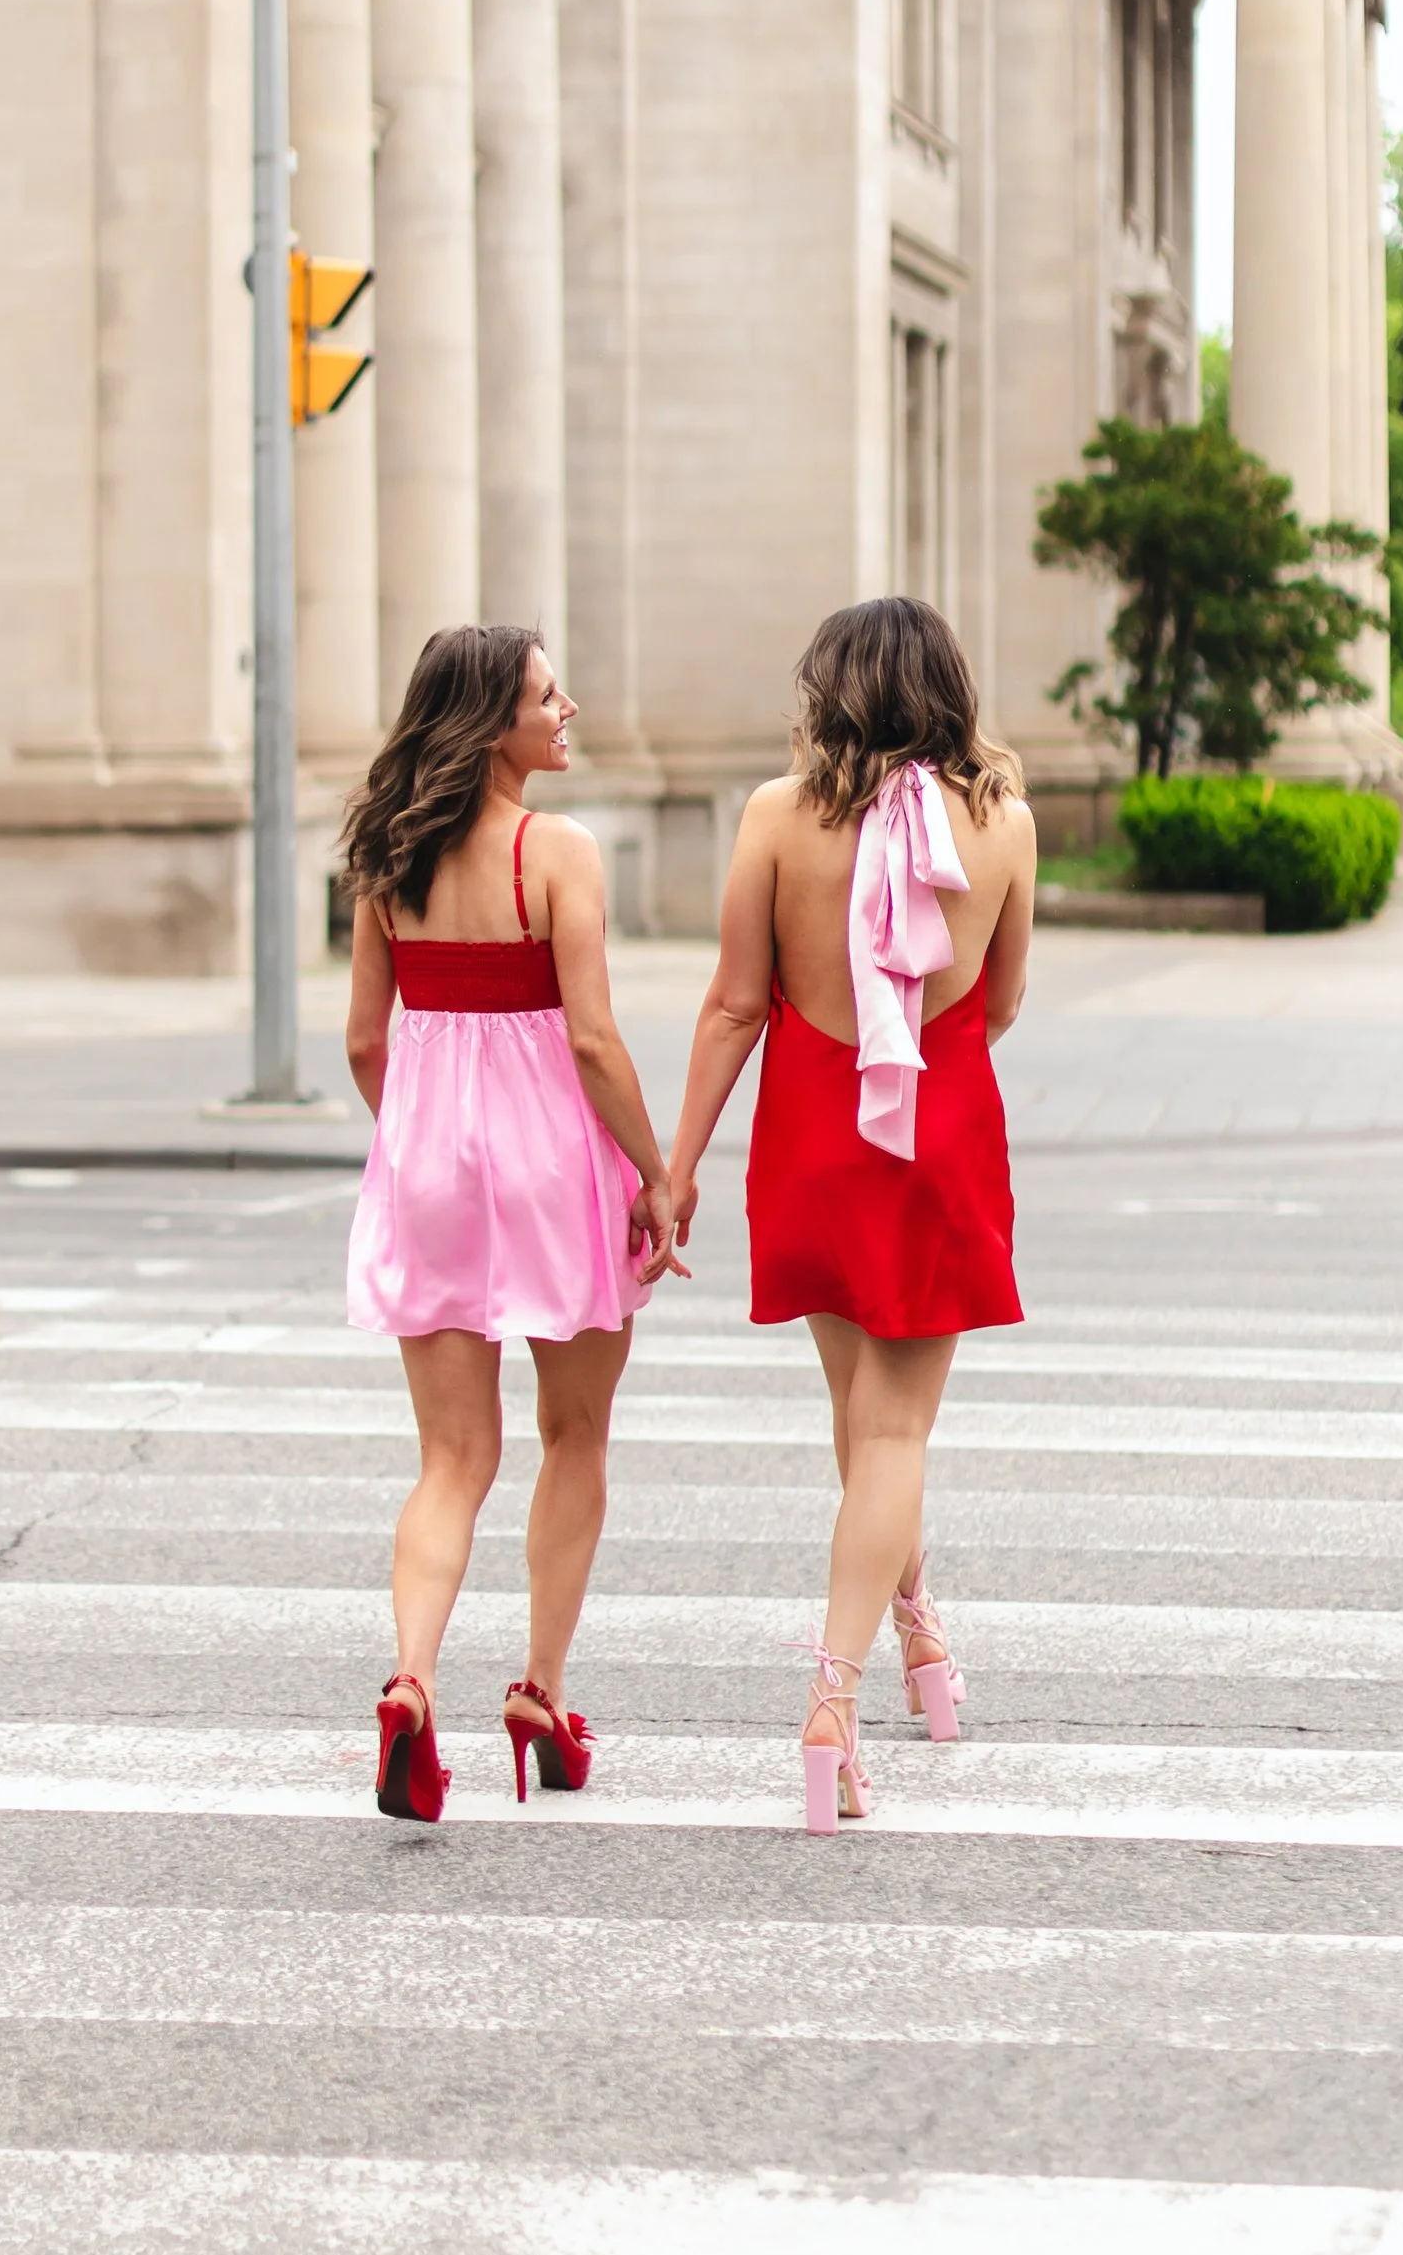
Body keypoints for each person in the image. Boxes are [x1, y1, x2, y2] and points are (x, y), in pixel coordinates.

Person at [664, 596, 1032, 1833]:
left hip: (812, 1137)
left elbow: (731, 1005)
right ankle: (835, 1695)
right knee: (894, 1437)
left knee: (860, 1420)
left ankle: (920, 1627)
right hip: (935, 1135)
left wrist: (677, 1167)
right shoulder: (1005, 825)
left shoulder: (776, 818)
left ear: (831, 693)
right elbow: (1003, 1000)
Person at [343, 624, 681, 1822]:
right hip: (552, 1172)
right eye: (548, 697)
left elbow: (364, 1043)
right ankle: (540, 1693)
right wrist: (657, 1173)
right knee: (573, 1430)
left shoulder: (385, 855)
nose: (569, 707)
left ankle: (411, 1680)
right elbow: (591, 1040)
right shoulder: (557, 850)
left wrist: (423, 1140)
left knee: (450, 1459)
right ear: (495, 726)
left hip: (427, 1169)